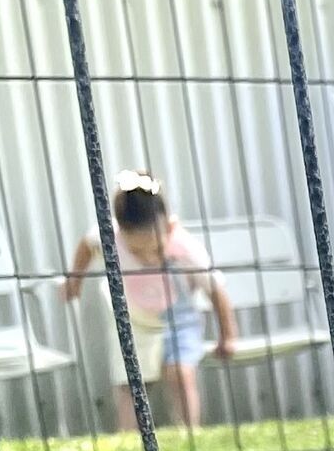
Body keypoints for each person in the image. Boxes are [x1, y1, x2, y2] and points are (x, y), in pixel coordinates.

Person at [62, 171, 235, 429]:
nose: (148, 258)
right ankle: (129, 438)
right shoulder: (108, 237)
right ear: (120, 233)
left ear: (171, 228)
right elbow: (87, 245)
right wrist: (73, 282)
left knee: (180, 373)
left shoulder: (186, 249)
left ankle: (191, 432)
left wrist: (228, 335)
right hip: (135, 320)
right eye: (136, 251)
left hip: (178, 319)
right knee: (132, 383)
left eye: (155, 249)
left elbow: (216, 290)